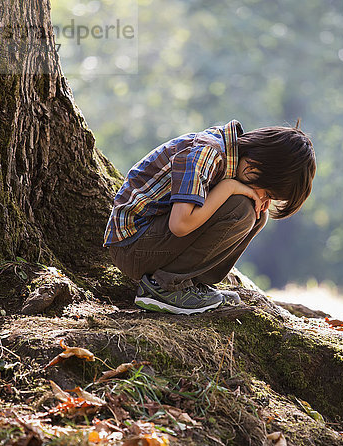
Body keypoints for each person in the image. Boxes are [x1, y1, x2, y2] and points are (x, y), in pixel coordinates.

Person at [103, 119, 315, 314]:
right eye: (267, 193)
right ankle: (163, 287)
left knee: (258, 214)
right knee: (241, 208)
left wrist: (251, 196)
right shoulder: (207, 153)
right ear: (253, 166)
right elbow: (180, 224)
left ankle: (190, 285)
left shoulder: (231, 158)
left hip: (152, 241)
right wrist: (230, 187)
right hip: (132, 246)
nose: (264, 199)